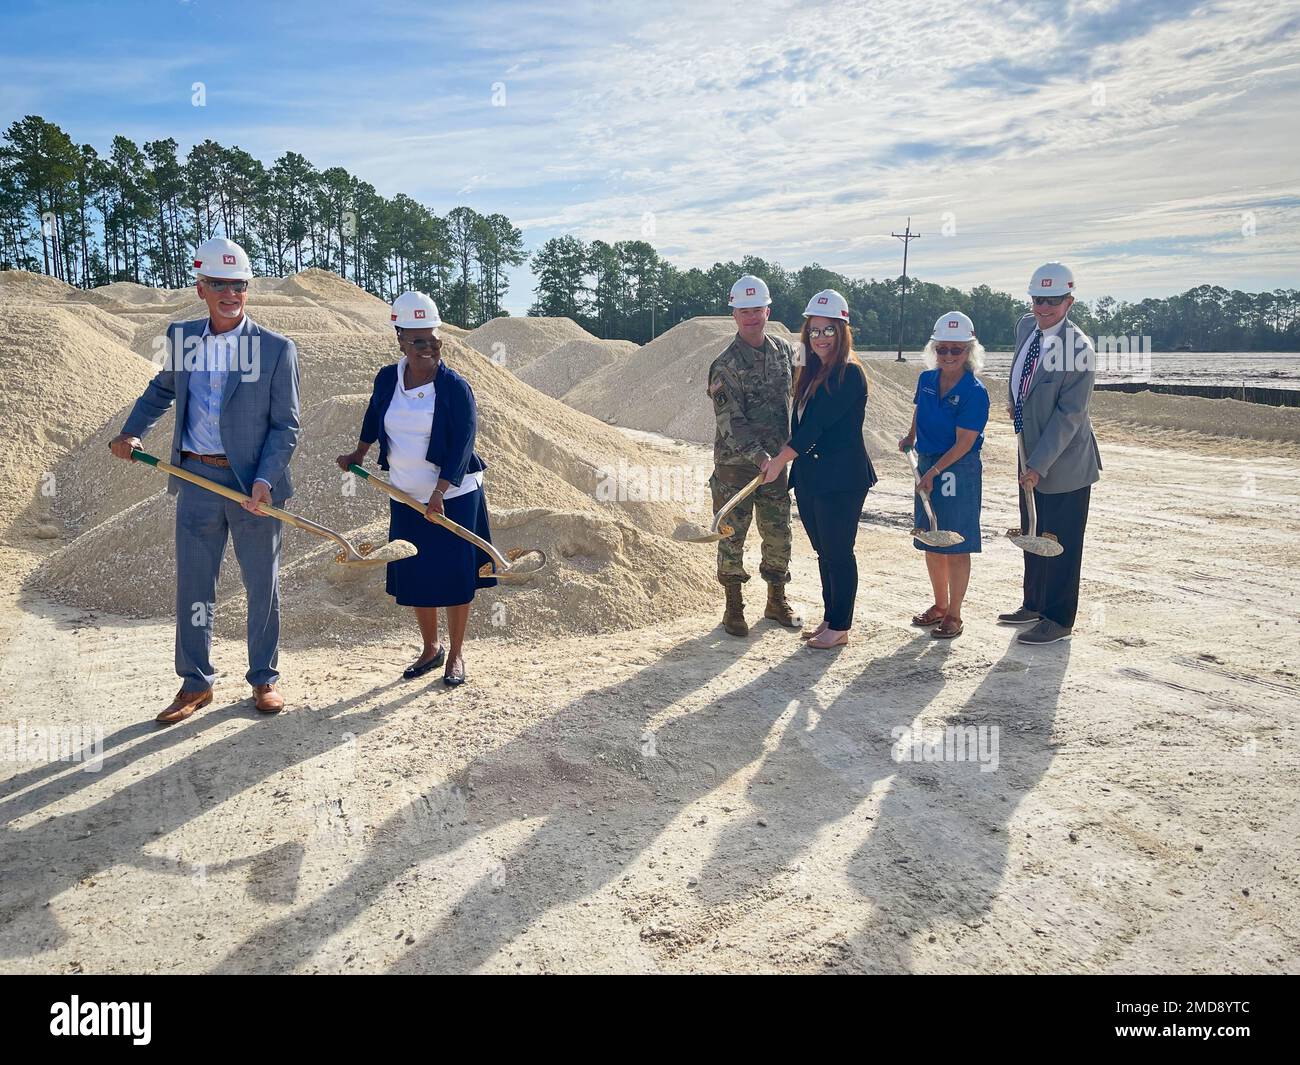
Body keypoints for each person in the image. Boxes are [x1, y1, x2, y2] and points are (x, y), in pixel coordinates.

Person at [109, 236, 301, 723]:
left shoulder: (276, 349)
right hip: (194, 477)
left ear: (247, 289)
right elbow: (161, 390)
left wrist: (264, 480)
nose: (230, 293)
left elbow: (285, 426)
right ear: (201, 288)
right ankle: (195, 682)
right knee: (195, 585)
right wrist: (131, 433)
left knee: (263, 585)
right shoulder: (184, 338)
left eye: (238, 285)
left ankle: (264, 678)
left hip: (252, 485)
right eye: (219, 284)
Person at [336, 291, 494, 686]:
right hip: (406, 495)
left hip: (454, 496)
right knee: (418, 571)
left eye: (435, 341)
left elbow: (462, 445)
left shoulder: (455, 387)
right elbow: (375, 415)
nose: (429, 349)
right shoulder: (388, 377)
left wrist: (440, 492)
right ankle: (430, 649)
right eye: (419, 341)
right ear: (401, 340)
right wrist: (359, 452)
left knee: (456, 576)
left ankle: (456, 654)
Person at [761, 289, 876, 649]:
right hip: (812, 478)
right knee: (824, 551)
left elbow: (816, 428)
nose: (820, 337)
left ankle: (841, 626)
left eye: (828, 330)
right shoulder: (811, 373)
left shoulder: (849, 375)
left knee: (839, 551)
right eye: (814, 330)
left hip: (841, 479)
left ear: (842, 332)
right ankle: (831, 616)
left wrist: (779, 461)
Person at [999, 261, 1102, 645]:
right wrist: (1015, 402)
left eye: (1053, 301)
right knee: (1032, 530)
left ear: (1069, 301)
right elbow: (1021, 376)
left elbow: (1069, 415)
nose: (1044, 308)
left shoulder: (1080, 349)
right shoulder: (1026, 327)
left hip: (1064, 461)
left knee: (1060, 540)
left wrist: (1038, 465)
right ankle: (1034, 604)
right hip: (1029, 450)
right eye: (1038, 299)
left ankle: (1058, 619)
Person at [707, 273, 801, 637]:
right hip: (736, 469)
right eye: (743, 311)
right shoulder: (725, 365)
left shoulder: (783, 352)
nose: (751, 317)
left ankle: (776, 599)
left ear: (767, 311)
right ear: (734, 315)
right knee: (731, 536)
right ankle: (733, 606)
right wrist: (761, 457)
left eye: (757, 309)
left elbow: (798, 396)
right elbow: (731, 422)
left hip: (776, 466)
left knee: (779, 533)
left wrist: (782, 457)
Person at [898, 312, 990, 640]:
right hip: (927, 462)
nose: (949, 356)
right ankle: (938, 605)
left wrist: (935, 472)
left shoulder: (975, 392)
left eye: (957, 350)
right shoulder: (926, 380)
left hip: (957, 467)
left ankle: (954, 614)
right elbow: (920, 409)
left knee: (955, 540)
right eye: (943, 349)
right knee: (930, 537)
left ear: (969, 351)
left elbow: (965, 442)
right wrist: (911, 437)